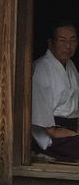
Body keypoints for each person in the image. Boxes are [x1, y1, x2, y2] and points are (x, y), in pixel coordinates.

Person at [32, 22, 79, 162]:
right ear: (51, 43)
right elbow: (49, 129)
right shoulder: (42, 68)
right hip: (51, 134)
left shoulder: (70, 66)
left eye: (72, 40)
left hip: (71, 129)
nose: (68, 46)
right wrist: (73, 133)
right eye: (62, 40)